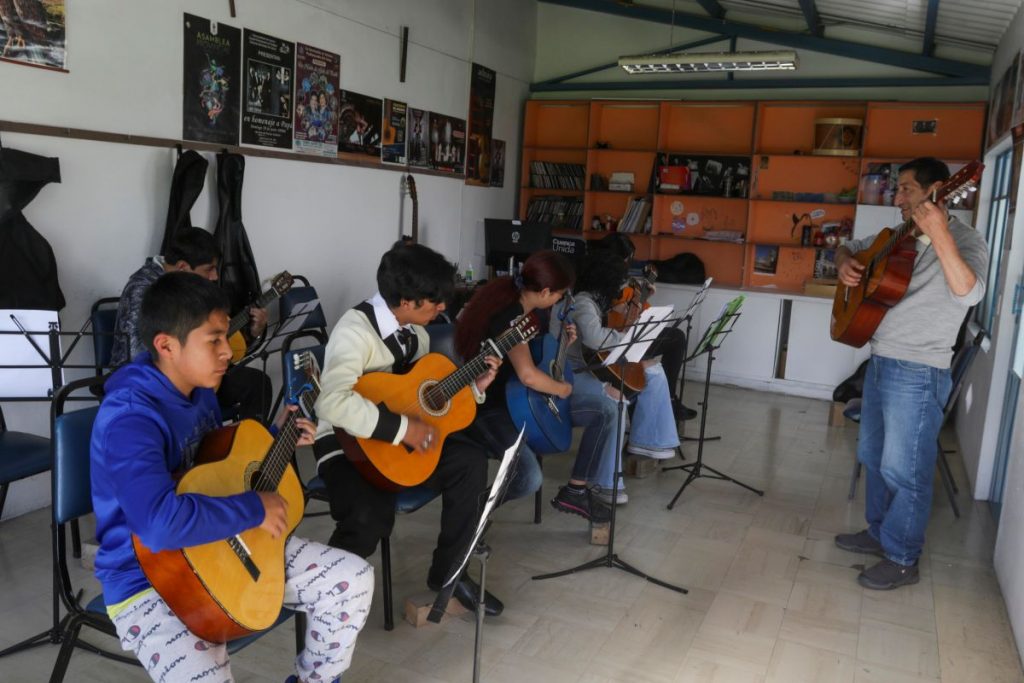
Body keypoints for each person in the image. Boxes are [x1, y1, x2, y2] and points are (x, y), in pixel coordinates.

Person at [91, 272, 372, 683]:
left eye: (226, 337)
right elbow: (158, 523)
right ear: (166, 345)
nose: (228, 352)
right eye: (214, 340)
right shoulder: (131, 417)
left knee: (352, 579)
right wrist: (253, 507)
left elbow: (213, 468)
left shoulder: (198, 388)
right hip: (147, 579)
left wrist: (278, 438)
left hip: (223, 540)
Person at [312, 243, 505, 615]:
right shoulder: (354, 332)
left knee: (470, 461)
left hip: (398, 444)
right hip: (346, 443)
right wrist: (402, 430)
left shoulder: (417, 333)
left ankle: (450, 573)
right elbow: (331, 403)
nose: (442, 308)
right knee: (368, 519)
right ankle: (326, 596)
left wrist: (474, 389)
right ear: (406, 301)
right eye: (433, 302)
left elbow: (418, 399)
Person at [833, 157, 988, 590]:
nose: (896, 198)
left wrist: (938, 233)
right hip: (881, 360)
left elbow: (970, 291)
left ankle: (902, 558)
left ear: (937, 191)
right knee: (874, 458)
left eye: (905, 189)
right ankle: (879, 532)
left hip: (919, 371)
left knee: (906, 470)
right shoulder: (892, 237)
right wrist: (845, 259)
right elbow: (848, 245)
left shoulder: (965, 238)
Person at [454, 250, 614, 523]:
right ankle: (475, 513)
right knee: (529, 477)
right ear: (545, 291)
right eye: (560, 294)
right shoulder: (510, 315)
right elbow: (528, 375)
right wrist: (562, 389)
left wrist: (565, 340)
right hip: (490, 406)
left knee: (605, 411)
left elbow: (538, 356)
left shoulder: (530, 310)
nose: (560, 300)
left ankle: (575, 490)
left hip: (524, 400)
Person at [551, 249, 682, 505]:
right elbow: (595, 338)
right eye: (619, 281)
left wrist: (635, 305)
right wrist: (627, 339)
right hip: (577, 371)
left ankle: (649, 441)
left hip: (597, 365)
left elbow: (615, 320)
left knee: (653, 371)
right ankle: (606, 481)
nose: (622, 286)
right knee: (616, 401)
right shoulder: (583, 302)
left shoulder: (597, 299)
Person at [110, 227, 272, 421]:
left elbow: (217, 344)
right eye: (209, 269)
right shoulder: (143, 290)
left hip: (190, 368)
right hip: (148, 381)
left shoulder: (190, 286)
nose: (215, 277)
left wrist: (252, 334)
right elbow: (138, 355)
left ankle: (248, 448)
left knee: (257, 383)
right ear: (182, 267)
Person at [594, 233, 696, 421]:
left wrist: (642, 299)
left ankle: (669, 398)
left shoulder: (622, 281)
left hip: (627, 333)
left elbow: (632, 314)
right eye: (625, 259)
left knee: (675, 337)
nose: (627, 264)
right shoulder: (596, 282)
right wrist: (616, 308)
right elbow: (599, 319)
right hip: (612, 343)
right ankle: (662, 402)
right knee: (674, 339)